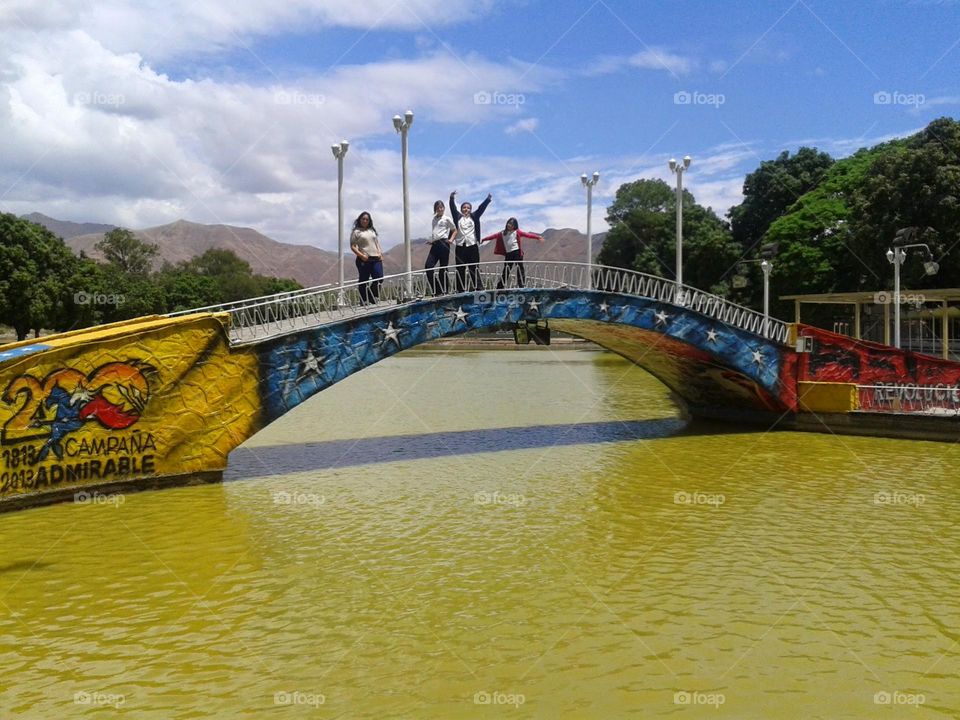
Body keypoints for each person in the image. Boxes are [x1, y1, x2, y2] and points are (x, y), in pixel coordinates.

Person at [480, 217, 543, 289]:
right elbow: (492, 236)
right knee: (506, 270)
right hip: (508, 254)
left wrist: (538, 237)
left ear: (515, 226)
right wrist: (484, 239)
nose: (509, 225)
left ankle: (522, 286)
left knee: (520, 269)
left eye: (512, 224)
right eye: (509, 223)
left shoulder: (517, 232)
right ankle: (500, 287)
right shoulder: (502, 233)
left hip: (517, 253)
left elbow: (528, 235)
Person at [449, 190, 492, 292]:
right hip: (460, 246)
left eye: (468, 208)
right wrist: (451, 198)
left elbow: (481, 209)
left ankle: (479, 288)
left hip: (472, 245)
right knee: (460, 269)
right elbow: (452, 208)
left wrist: (487, 200)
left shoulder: (474, 216)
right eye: (464, 208)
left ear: (470, 209)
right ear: (461, 209)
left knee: (474, 268)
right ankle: (460, 290)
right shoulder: (457, 217)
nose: (466, 209)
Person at [349, 211, 383, 304]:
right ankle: (363, 299)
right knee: (364, 280)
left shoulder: (371, 230)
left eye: (367, 219)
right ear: (360, 220)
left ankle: (372, 296)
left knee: (379, 277)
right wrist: (361, 255)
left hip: (376, 257)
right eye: (363, 219)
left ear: (369, 221)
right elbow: (352, 246)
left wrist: (380, 252)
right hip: (364, 258)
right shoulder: (356, 232)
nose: (365, 221)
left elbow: (376, 242)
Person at [425, 200, 456, 296]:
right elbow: (436, 231)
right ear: (435, 209)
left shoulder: (447, 219)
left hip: (444, 243)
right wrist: (432, 240)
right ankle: (437, 291)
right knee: (428, 266)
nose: (440, 209)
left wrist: (451, 240)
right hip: (435, 244)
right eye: (438, 208)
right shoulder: (434, 219)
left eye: (441, 207)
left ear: (444, 208)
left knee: (443, 269)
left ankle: (445, 291)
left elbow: (454, 230)